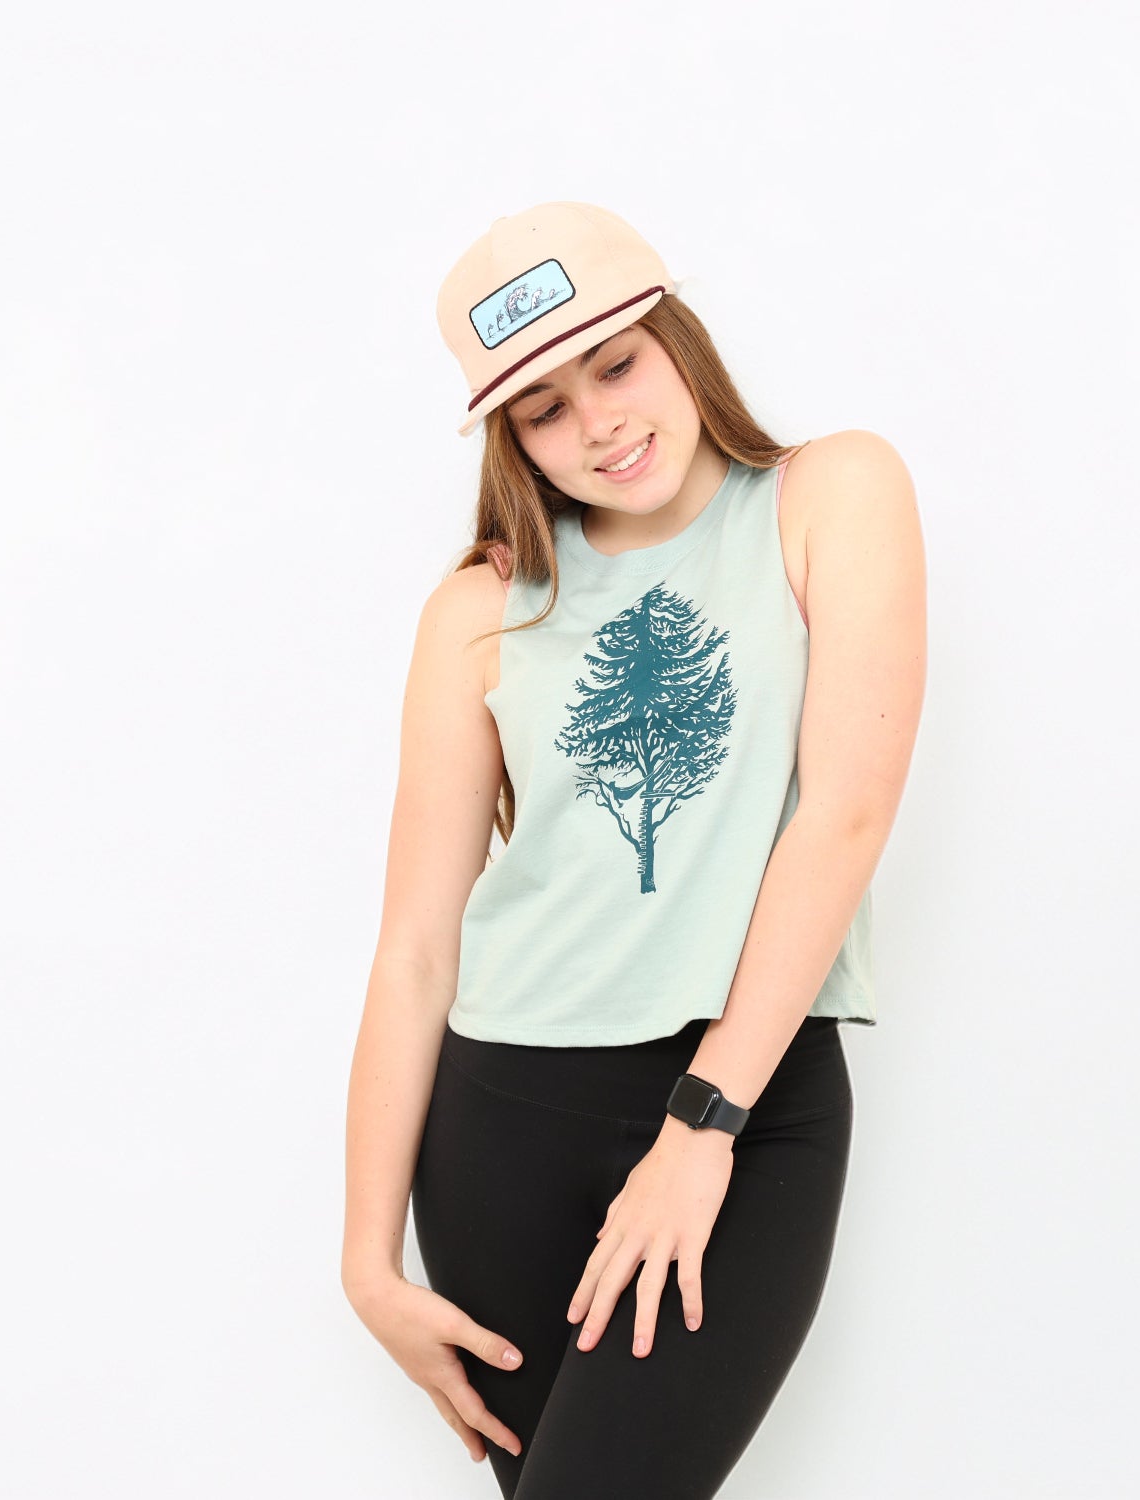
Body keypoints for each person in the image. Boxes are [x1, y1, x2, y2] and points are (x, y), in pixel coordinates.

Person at [341, 201, 926, 1499]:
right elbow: (417, 948)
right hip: (503, 1123)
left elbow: (842, 814)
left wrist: (701, 1126)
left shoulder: (831, 495)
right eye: (544, 407)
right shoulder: (482, 608)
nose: (598, 420)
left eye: (615, 362)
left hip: (748, 1105)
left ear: (680, 339)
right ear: (513, 438)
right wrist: (367, 1264)